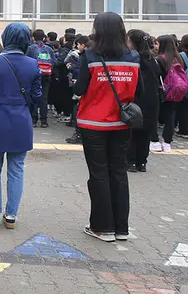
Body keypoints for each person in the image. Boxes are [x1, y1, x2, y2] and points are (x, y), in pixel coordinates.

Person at [74, 12, 139, 243]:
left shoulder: (90, 55)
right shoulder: (133, 57)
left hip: (93, 123)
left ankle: (102, 228)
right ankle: (121, 228)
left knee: (99, 174)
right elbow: (139, 90)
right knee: (119, 172)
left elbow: (80, 88)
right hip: (122, 123)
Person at [0, 22, 42, 230]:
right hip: (21, 119)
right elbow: (37, 95)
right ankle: (11, 215)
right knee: (17, 168)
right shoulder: (33, 64)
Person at [126, 30, 159, 172]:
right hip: (152, 100)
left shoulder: (133, 59)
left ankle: (131, 161)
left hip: (136, 98)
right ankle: (142, 162)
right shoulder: (153, 60)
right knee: (145, 132)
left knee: (132, 131)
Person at [155, 34, 185, 153]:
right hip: (175, 91)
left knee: (156, 115)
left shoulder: (160, 59)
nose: (155, 46)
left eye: (157, 43)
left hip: (162, 91)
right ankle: (167, 142)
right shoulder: (178, 58)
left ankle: (155, 141)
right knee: (171, 116)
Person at [26, 29, 56, 128]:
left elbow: (27, 61)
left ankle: (33, 120)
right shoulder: (49, 49)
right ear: (44, 38)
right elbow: (54, 62)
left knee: (34, 96)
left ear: (33, 38)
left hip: (34, 75)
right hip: (46, 75)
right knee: (44, 98)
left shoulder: (31, 48)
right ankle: (44, 121)